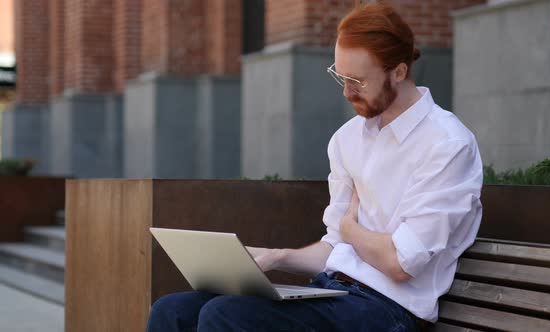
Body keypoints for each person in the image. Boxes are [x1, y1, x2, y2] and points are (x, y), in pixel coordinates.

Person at [146, 2, 483, 331]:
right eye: (341, 76)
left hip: (389, 309)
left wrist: (351, 230)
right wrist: (276, 257)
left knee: (227, 314)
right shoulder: (348, 139)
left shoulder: (447, 145)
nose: (347, 91)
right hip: (332, 289)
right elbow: (335, 245)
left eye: (359, 81)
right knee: (173, 311)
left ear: (398, 72)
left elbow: (399, 264)